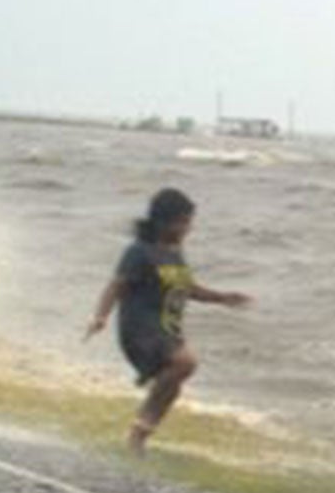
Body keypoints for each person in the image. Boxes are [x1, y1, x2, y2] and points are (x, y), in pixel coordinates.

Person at [83, 188, 250, 454]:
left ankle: (138, 437)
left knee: (174, 387)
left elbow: (187, 288)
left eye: (189, 221)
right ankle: (138, 428)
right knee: (185, 362)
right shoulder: (139, 252)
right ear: (163, 221)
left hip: (167, 329)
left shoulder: (174, 252)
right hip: (140, 328)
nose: (188, 228)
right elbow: (116, 285)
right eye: (184, 222)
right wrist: (100, 316)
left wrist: (222, 298)